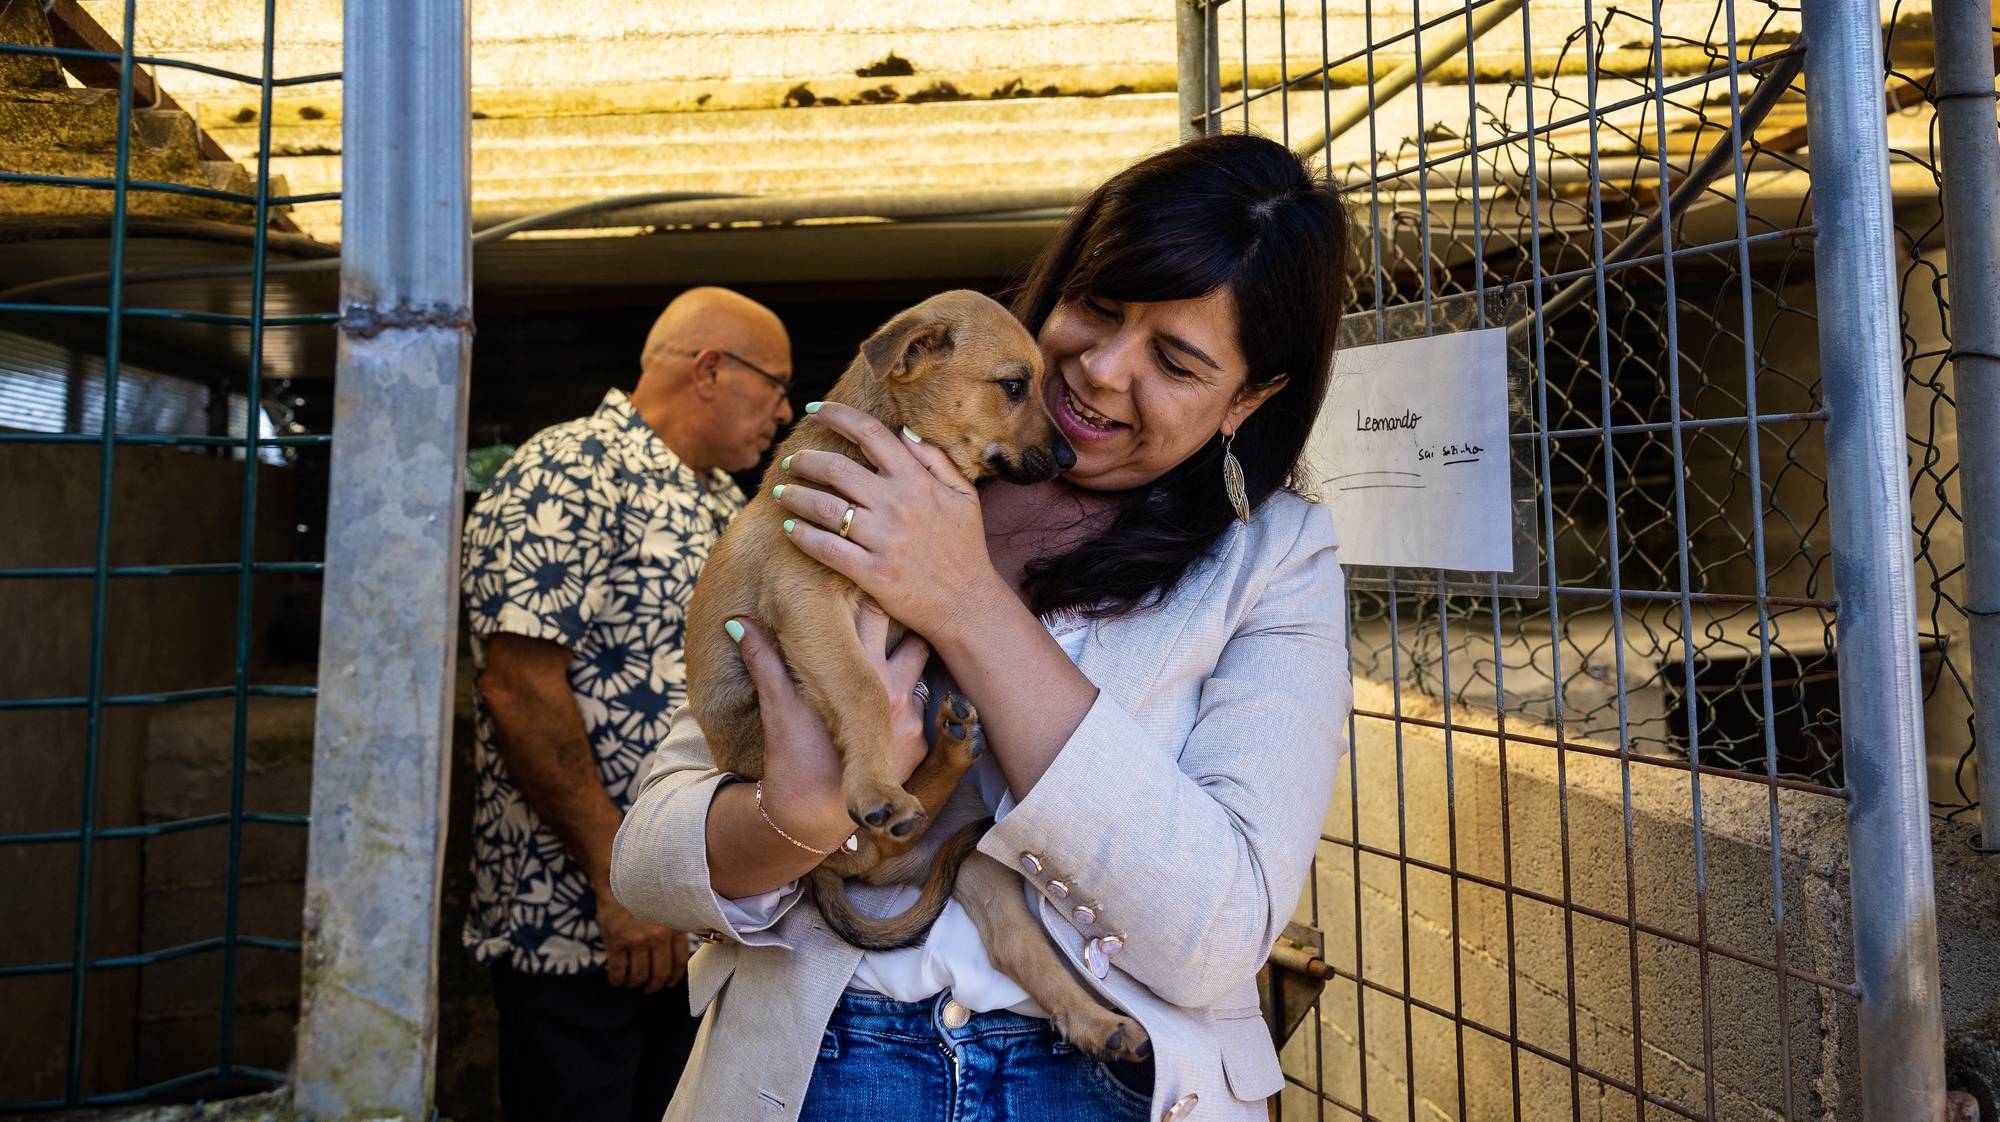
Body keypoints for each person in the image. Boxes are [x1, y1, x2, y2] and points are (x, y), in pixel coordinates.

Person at [611, 133, 1353, 1122]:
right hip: (816, 1070)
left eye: (1173, 359)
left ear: (1249, 397)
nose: (1096, 371)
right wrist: (792, 813)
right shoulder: (868, 491)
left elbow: (1215, 936)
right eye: (1094, 307)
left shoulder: (1277, 562)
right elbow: (649, 859)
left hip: (1100, 1088)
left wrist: (963, 601)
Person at [461, 286, 795, 1122]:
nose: (788, 412)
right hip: (580, 924)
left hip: (689, 920)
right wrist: (622, 884)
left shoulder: (723, 502)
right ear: (711, 370)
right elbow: (518, 686)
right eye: (777, 385)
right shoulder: (571, 469)